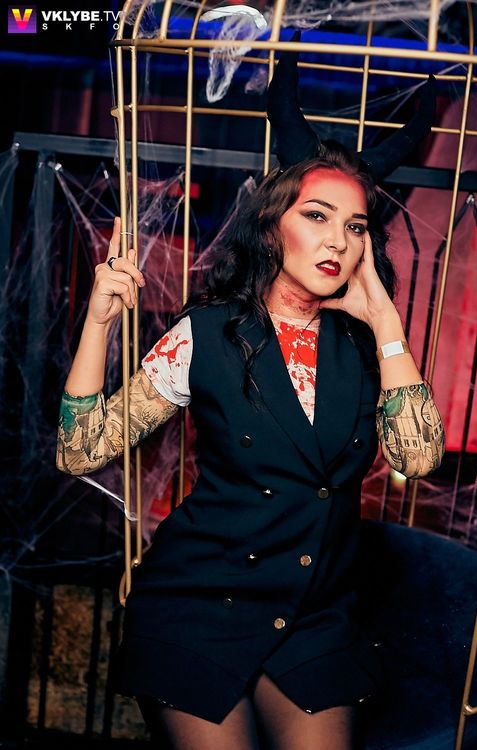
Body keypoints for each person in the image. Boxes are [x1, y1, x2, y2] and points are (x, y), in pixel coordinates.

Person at [56, 51, 445, 750]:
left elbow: (417, 461)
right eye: (317, 215)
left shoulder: (371, 349)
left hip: (313, 618)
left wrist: (385, 320)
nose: (336, 239)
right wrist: (97, 323)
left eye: (356, 226)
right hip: (199, 604)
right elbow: (80, 451)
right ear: (272, 226)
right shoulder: (205, 336)